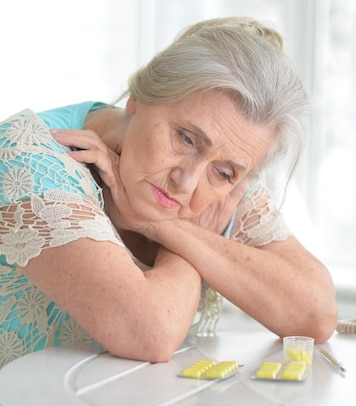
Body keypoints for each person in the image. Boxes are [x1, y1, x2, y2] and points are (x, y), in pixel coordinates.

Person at [0, 16, 337, 368]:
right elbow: (149, 332)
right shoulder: (30, 155)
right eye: (186, 138)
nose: (187, 182)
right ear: (139, 98)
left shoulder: (223, 181)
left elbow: (315, 315)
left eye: (223, 172)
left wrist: (161, 226)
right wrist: (197, 238)